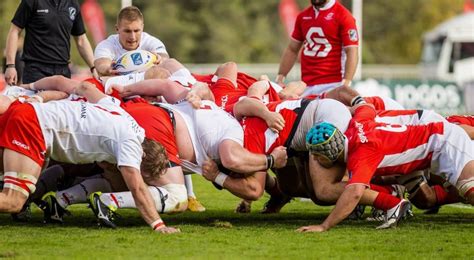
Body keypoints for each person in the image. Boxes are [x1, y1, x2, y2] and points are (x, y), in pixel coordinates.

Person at [0, 81, 179, 233]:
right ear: (143, 155)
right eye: (142, 171)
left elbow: (85, 87)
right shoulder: (131, 145)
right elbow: (138, 189)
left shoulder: (121, 113)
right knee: (13, 202)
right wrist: (159, 225)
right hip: (34, 126)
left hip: (27, 111)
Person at [298, 104, 474, 232]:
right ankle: (394, 204)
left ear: (329, 152)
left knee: (470, 189)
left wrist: (324, 225)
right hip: (422, 154)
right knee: (423, 199)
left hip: (443, 142)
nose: (313, 158)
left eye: (315, 154)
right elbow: (365, 108)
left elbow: (355, 193)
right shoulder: (355, 126)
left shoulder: (361, 154)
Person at [276, 0, 359, 96]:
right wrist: (281, 77)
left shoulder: (343, 15)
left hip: (332, 84)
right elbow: (292, 49)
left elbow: (352, 50)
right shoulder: (303, 16)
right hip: (305, 85)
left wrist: (346, 82)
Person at [4, 0, 97, 85]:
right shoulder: (32, 1)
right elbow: (14, 31)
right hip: (36, 70)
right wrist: (10, 66)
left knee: (62, 103)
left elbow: (81, 40)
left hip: (63, 71)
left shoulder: (73, 4)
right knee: (37, 101)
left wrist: (94, 67)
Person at [94, 6, 169, 76]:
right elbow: (102, 63)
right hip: (117, 84)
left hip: (146, 84)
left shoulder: (151, 41)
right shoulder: (106, 45)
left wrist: (161, 59)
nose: (132, 37)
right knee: (85, 86)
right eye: (127, 31)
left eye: (136, 31)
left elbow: (164, 58)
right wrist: (107, 69)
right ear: (117, 29)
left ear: (142, 27)